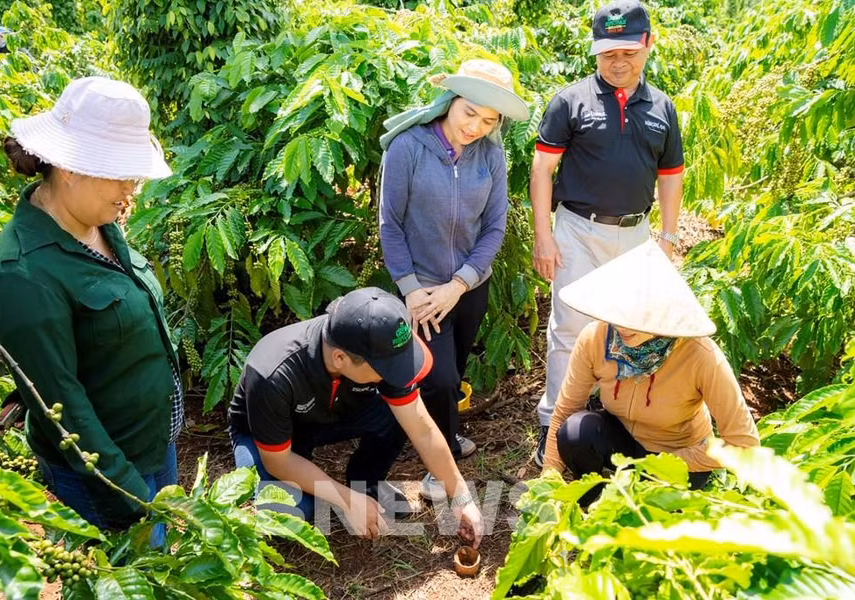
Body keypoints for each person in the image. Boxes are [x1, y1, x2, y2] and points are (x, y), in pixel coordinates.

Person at [0, 77, 179, 537]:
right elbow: (62, 406)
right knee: (132, 568)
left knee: (164, 557)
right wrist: (131, 495)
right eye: (120, 173)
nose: (131, 189)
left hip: (151, 443)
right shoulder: (21, 276)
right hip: (109, 475)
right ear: (70, 167)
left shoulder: (96, 220)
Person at [530, 0, 685, 465]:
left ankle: (608, 419)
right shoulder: (570, 100)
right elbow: (542, 169)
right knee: (570, 327)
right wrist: (544, 236)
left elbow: (671, 176)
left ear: (648, 44)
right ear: (595, 51)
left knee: (628, 329)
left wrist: (668, 238)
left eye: (628, 52)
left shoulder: (662, 107)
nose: (618, 62)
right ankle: (554, 424)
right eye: (608, 53)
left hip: (636, 235)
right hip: (578, 229)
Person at [379, 59, 529, 501]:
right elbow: (390, 225)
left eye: (488, 121)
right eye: (469, 113)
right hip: (423, 290)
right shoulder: (407, 147)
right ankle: (438, 468)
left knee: (456, 365)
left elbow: (494, 227)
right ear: (450, 101)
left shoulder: (492, 156)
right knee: (439, 377)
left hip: (469, 287)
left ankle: (446, 433)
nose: (475, 127)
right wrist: (411, 291)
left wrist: (460, 284)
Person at [228, 288, 484, 547]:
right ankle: (335, 497)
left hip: (332, 414)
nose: (396, 374)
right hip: (270, 437)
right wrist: (346, 500)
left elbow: (423, 430)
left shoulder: (377, 347)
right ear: (340, 358)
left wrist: (462, 497)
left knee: (400, 412)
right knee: (289, 510)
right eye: (388, 369)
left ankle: (365, 483)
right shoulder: (273, 374)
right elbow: (278, 462)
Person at [542, 241, 760, 498]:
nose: (622, 327)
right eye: (619, 314)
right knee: (575, 431)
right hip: (622, 444)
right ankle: (590, 500)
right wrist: (548, 483)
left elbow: (744, 444)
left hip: (678, 458)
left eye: (637, 318)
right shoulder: (595, 338)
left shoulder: (701, 355)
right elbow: (565, 411)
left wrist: (665, 463)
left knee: (651, 513)